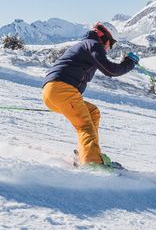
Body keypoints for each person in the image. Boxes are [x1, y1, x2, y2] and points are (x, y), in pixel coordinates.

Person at [42, 22, 140, 169]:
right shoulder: (94, 44)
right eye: (112, 43)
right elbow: (111, 70)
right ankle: (93, 163)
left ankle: (86, 154)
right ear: (105, 38)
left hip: (51, 92)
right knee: (85, 126)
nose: (110, 48)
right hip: (63, 90)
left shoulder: (86, 45)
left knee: (92, 112)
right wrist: (130, 63)